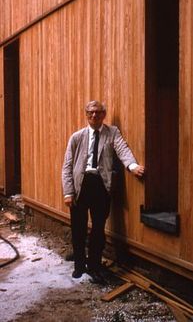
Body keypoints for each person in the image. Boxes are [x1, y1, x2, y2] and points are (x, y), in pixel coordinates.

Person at [62, 100, 144, 283]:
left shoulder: (112, 132)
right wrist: (68, 192)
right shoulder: (77, 137)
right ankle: (79, 265)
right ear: (86, 115)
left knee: (98, 228)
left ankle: (94, 265)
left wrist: (132, 166)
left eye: (98, 112)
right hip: (80, 186)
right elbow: (67, 166)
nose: (94, 116)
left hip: (100, 185)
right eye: (90, 112)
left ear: (103, 115)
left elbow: (123, 149)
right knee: (78, 227)